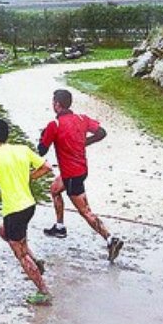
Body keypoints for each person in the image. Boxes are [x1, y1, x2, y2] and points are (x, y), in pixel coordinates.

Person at [38, 89, 124, 263]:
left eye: (53, 101)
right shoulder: (82, 118)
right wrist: (86, 142)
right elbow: (101, 133)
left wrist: (43, 137)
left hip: (71, 176)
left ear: (57, 104)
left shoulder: (54, 124)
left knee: (85, 211)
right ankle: (60, 227)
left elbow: (41, 150)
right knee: (54, 189)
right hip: (80, 169)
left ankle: (110, 239)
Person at [0, 118, 53, 306]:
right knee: (5, 233)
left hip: (14, 210)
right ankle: (36, 263)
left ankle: (43, 291)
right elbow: (46, 167)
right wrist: (28, 178)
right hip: (28, 206)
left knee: (20, 253)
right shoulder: (22, 150)